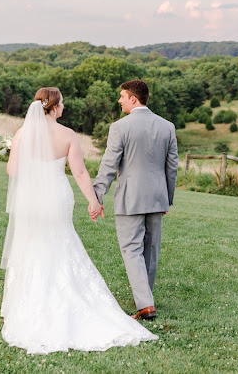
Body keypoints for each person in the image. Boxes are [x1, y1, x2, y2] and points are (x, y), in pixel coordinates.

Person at [0, 87, 157, 355]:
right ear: (55, 107)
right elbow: (81, 173)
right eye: (62, 103)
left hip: (31, 199)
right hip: (57, 197)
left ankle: (31, 302)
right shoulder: (68, 135)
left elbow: (12, 170)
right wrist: (94, 202)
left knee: (33, 244)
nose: (64, 107)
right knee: (60, 242)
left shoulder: (23, 133)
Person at [92, 79, 178, 321]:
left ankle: (145, 304)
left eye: (122, 96)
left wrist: (97, 194)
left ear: (133, 98)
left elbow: (109, 165)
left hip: (131, 197)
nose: (119, 100)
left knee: (131, 249)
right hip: (157, 197)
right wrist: (167, 199)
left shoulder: (120, 127)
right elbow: (172, 168)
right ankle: (145, 297)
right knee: (150, 250)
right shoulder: (167, 126)